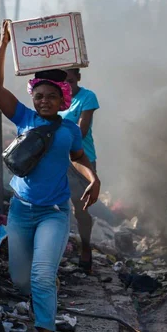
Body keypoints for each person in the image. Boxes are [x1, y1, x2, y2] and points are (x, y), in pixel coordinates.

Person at [0, 20, 100, 332]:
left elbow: (78, 158)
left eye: (52, 96)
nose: (45, 101)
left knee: (39, 275)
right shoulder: (23, 118)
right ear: (33, 98)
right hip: (21, 212)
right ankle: (44, 291)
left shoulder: (69, 130)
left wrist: (93, 178)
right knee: (22, 279)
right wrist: (4, 44)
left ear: (62, 99)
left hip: (54, 212)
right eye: (40, 96)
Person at [59, 68, 100, 273]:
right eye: (63, 82)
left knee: (80, 209)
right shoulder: (53, 96)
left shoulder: (87, 97)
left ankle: (85, 248)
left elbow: (81, 131)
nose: (67, 86)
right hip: (57, 159)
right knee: (53, 206)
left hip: (82, 160)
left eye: (71, 81)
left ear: (78, 79)